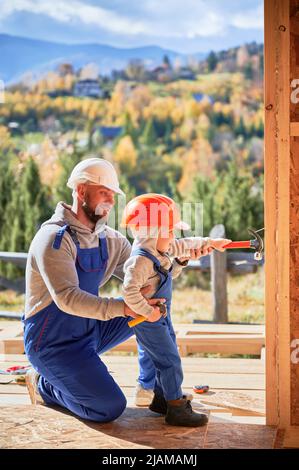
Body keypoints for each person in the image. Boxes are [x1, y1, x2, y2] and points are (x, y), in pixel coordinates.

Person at [24, 158, 164, 423]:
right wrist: (123, 307)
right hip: (53, 344)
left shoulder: (110, 240)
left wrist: (172, 261)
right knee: (108, 407)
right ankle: (44, 384)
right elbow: (67, 298)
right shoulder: (53, 239)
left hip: (89, 332)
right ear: (80, 191)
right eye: (103, 192)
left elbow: (145, 276)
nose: (110, 201)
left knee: (153, 306)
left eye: (112, 195)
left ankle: (154, 385)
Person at [121, 193, 231, 426]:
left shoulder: (158, 251)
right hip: (149, 320)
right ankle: (176, 408)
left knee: (168, 353)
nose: (173, 237)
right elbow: (129, 293)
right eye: (169, 231)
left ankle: (162, 399)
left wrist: (210, 243)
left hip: (161, 316)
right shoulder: (140, 261)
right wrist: (147, 312)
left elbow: (183, 246)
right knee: (169, 360)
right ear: (152, 233)